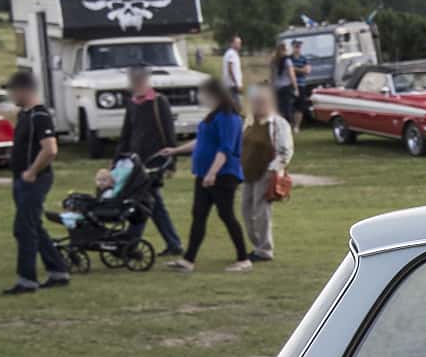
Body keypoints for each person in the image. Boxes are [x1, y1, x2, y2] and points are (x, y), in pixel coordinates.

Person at [164, 78, 251, 272]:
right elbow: (201, 142)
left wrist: (213, 173)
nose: (200, 97)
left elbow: (226, 148)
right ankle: (188, 260)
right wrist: (175, 150)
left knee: (226, 215)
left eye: (203, 93)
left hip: (223, 175)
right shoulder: (213, 116)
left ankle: (244, 259)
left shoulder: (228, 117)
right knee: (199, 215)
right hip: (205, 175)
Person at [2, 69, 69, 295]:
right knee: (35, 226)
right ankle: (59, 271)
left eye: (13, 91)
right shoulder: (24, 115)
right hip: (21, 179)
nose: (11, 96)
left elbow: (50, 149)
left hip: (35, 179)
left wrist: (32, 171)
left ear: (24, 90)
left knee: (24, 228)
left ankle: (27, 280)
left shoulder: (40, 115)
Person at [111, 65, 184, 255]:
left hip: (155, 160)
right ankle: (170, 242)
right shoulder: (133, 103)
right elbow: (126, 134)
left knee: (145, 201)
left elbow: (168, 132)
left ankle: (131, 243)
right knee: (149, 202)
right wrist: (117, 160)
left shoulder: (159, 102)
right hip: (136, 162)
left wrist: (172, 162)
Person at [239, 87, 293, 263]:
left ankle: (264, 250)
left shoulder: (277, 124)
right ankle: (258, 245)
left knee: (261, 212)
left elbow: (285, 150)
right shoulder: (249, 122)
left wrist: (273, 170)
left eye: (261, 102)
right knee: (246, 210)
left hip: (266, 173)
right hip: (248, 173)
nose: (257, 105)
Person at [270, 43, 299, 128]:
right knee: (288, 108)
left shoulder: (273, 61)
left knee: (279, 108)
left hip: (276, 87)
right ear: (284, 50)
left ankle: (279, 126)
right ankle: (289, 126)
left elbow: (271, 76)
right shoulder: (287, 61)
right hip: (286, 87)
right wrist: (296, 88)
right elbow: (291, 75)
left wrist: (271, 86)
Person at [288, 39, 310, 130]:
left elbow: (307, 70)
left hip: (301, 85)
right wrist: (300, 70)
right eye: (295, 46)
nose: (297, 48)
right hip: (290, 85)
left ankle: (297, 126)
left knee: (300, 107)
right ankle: (291, 125)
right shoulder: (289, 58)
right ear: (292, 47)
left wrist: (295, 69)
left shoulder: (304, 58)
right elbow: (289, 70)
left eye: (299, 46)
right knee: (290, 106)